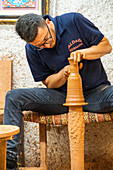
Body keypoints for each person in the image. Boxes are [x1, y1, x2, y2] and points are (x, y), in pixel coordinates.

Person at [4, 12, 112, 169]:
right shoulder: (32, 49)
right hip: (61, 97)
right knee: (13, 97)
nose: (46, 46)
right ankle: (10, 158)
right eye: (40, 45)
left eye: (47, 40)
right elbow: (48, 82)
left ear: (49, 23)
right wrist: (63, 74)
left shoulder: (73, 21)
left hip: (96, 93)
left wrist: (83, 53)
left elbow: (106, 47)